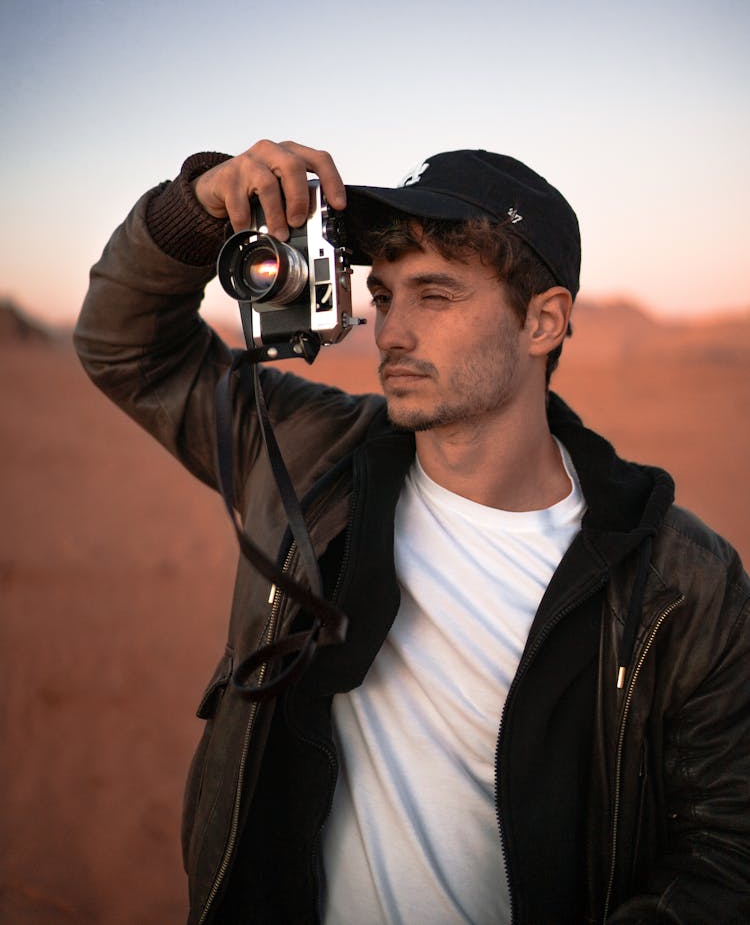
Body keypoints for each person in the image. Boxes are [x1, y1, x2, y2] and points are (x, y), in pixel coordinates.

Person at [74, 139, 750, 925]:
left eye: (434, 295)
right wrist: (195, 210)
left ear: (543, 320)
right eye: (386, 295)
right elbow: (126, 348)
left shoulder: (683, 582)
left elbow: (724, 850)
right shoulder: (308, 453)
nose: (389, 333)